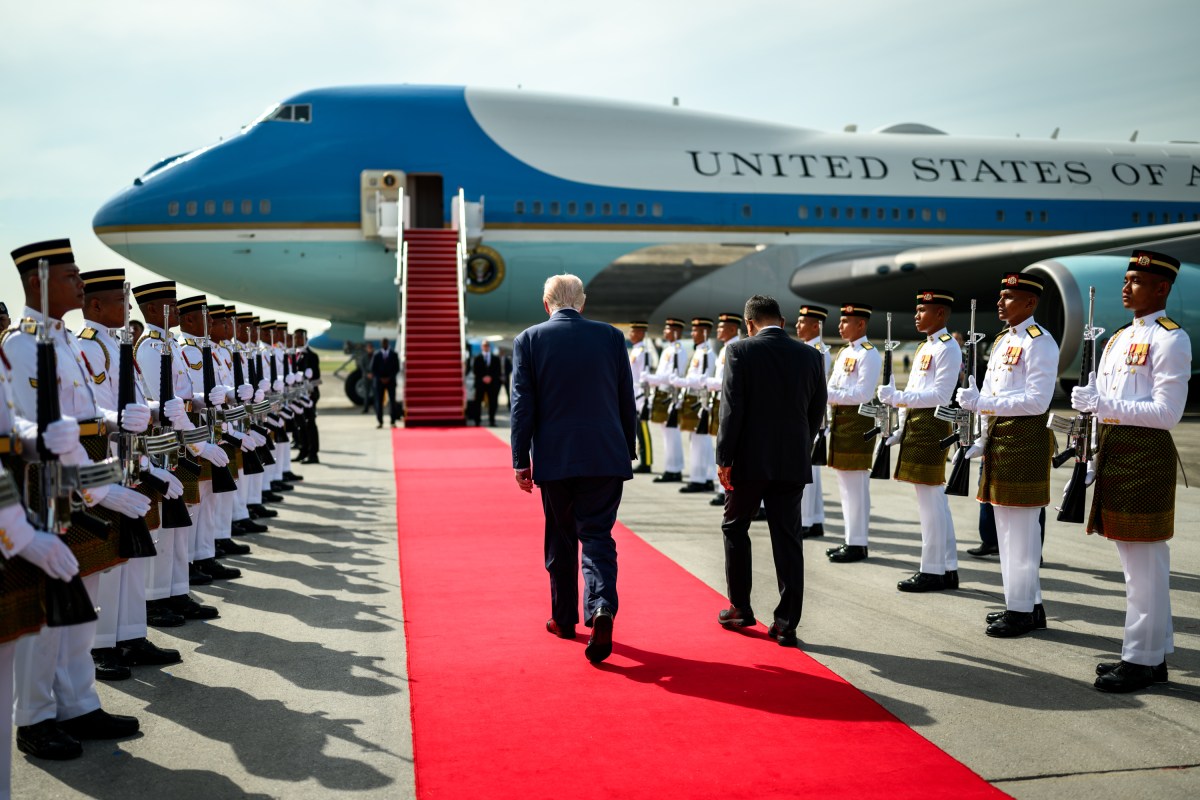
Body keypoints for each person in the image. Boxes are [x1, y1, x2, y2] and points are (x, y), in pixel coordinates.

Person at [7, 238, 143, 759]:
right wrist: (99, 489)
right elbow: (29, 445)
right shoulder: (21, 347)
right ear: (39, 281)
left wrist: (113, 421)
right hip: (47, 491)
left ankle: (79, 703)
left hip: (82, 478)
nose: (81, 285)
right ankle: (35, 717)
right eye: (72, 276)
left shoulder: (64, 341)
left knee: (80, 607)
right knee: (44, 614)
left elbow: (81, 420)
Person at [1073, 250, 1189, 692]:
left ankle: (1140, 660)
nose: (1126, 286)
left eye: (1137, 280)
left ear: (1161, 289)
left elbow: (1167, 412)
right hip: (1115, 452)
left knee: (1145, 565)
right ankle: (1152, 654)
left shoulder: (1171, 339)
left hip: (1145, 454)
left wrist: (1105, 406)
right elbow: (1101, 397)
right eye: (1126, 279)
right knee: (1135, 564)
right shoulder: (1119, 337)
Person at [510, 274, 636, 665]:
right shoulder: (612, 338)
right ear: (582, 303)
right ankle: (601, 608)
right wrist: (625, 449)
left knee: (561, 537)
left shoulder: (529, 340)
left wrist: (520, 460)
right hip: (605, 456)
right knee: (597, 535)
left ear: (546, 304)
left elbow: (522, 405)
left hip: (556, 457)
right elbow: (625, 400)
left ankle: (563, 619)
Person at [715, 295, 825, 647]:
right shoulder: (811, 355)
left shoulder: (740, 351)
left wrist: (724, 458)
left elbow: (731, 410)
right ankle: (786, 623)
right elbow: (816, 411)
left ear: (749, 323)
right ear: (782, 320)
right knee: (788, 539)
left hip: (748, 461)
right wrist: (799, 449)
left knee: (735, 527)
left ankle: (741, 607)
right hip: (791, 461)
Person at [957, 273, 1059, 638]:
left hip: (1025, 440)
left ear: (1030, 304)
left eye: (1009, 298)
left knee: (1021, 532)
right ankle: (1027, 605)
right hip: (1000, 438)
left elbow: (1037, 400)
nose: (999, 303)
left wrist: (982, 403)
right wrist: (982, 434)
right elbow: (987, 388)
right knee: (1008, 530)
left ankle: (1020, 610)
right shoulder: (1002, 340)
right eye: (1000, 296)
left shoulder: (1039, 342)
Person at [878, 291, 962, 592]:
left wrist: (898, 397)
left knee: (931, 502)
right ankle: (947, 566)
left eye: (922, 310)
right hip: (918, 423)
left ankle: (933, 569)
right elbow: (919, 388)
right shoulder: (928, 345)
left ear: (940, 313)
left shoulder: (947, 347)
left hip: (932, 425)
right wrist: (901, 423)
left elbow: (940, 395)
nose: (916, 315)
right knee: (933, 501)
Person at [825, 303, 881, 563]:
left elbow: (863, 394)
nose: (840, 325)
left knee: (856, 487)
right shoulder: (844, 352)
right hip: (840, 421)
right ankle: (850, 539)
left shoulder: (868, 354)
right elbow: (834, 385)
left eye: (846, 321)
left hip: (858, 423)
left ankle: (858, 543)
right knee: (844, 486)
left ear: (861, 324)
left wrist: (828, 395)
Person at [793, 305, 831, 534]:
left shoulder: (818, 350)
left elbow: (817, 389)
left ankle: (807, 521)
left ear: (816, 326)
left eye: (802, 322)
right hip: (808, 416)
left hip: (810, 417)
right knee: (811, 471)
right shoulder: (808, 348)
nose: (797, 326)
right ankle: (814, 519)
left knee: (806, 471)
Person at [672, 317, 716, 493]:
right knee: (697, 440)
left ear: (705, 332)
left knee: (699, 441)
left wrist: (682, 381)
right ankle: (705, 477)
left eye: (696, 331)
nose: (693, 334)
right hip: (693, 399)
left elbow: (703, 379)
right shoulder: (699, 352)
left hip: (700, 400)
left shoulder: (707, 353)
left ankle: (699, 478)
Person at [643, 318, 687, 482]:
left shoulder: (678, 350)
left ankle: (674, 469)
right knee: (666, 434)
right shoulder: (670, 349)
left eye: (668, 329)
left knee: (671, 434)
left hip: (669, 395)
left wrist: (651, 378)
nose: (664, 331)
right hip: (662, 394)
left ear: (676, 331)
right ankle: (671, 467)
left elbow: (672, 376)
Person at [707, 312, 742, 506]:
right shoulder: (724, 349)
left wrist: (707, 382)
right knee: (721, 447)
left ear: (731, 329)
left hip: (731, 404)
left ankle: (728, 488)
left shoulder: (736, 348)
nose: (718, 330)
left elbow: (728, 381)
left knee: (729, 448)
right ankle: (723, 488)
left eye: (722, 327)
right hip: (722, 401)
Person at [627, 321, 657, 474]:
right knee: (638, 430)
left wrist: (644, 399)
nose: (630, 334)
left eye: (633, 332)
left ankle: (647, 462)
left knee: (643, 430)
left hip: (640, 396)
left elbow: (644, 377)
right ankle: (643, 459)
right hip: (634, 394)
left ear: (640, 333)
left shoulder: (643, 352)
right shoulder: (635, 351)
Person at [369, 337, 401, 427]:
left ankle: (393, 421)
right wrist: (381, 378)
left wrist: (389, 378)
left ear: (388, 343)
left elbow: (396, 368)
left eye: (385, 343)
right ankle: (380, 421)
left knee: (392, 402)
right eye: (383, 343)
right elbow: (373, 369)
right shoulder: (377, 355)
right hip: (379, 382)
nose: (384, 345)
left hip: (391, 381)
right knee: (379, 402)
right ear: (381, 344)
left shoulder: (394, 354)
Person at [472, 340, 503, 426]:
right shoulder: (477, 358)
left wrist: (491, 377)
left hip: (492, 384)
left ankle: (492, 420)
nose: (486, 347)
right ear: (482, 347)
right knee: (478, 402)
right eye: (484, 345)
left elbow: (498, 371)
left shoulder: (495, 359)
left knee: (493, 402)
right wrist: (483, 378)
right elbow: (475, 370)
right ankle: (477, 421)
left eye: (487, 345)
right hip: (480, 383)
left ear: (489, 347)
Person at [358, 341, 375, 414]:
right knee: (366, 394)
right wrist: (367, 374)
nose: (370, 349)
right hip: (366, 377)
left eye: (371, 348)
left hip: (374, 376)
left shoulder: (375, 356)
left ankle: (375, 408)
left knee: (375, 394)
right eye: (368, 348)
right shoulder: (364, 357)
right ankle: (366, 408)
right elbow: (362, 367)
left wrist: (373, 374)